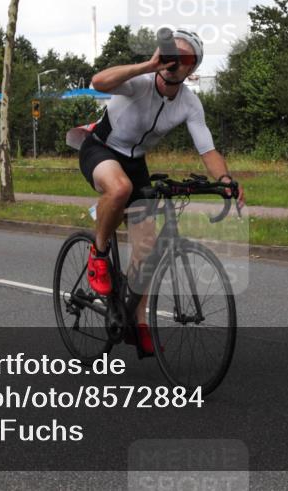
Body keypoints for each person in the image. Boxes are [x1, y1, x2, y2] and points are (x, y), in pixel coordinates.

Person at [77, 28, 245, 355]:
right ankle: (98, 254)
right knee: (120, 188)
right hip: (100, 149)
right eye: (172, 54)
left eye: (185, 59)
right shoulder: (138, 81)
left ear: (191, 69)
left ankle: (137, 321)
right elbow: (98, 82)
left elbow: (207, 149)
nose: (175, 62)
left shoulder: (189, 103)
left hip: (135, 162)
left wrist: (225, 180)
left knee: (147, 248)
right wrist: (147, 66)